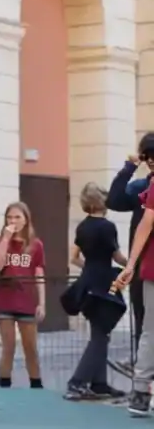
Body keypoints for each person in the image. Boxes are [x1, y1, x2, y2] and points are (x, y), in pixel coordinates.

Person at [64, 183, 126, 401]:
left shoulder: (82, 227)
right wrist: (132, 266)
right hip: (103, 285)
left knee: (99, 333)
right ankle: (77, 382)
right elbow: (117, 257)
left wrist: (89, 270)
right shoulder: (107, 227)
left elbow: (73, 258)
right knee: (100, 337)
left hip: (86, 285)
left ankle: (99, 384)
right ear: (102, 201)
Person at [105, 136, 154, 380]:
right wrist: (130, 166)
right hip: (143, 266)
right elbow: (113, 200)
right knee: (144, 321)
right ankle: (142, 376)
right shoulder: (142, 188)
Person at [0, 202, 45, 389]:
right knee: (8, 347)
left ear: (26, 219)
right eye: (9, 217)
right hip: (4, 300)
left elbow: (39, 273)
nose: (13, 221)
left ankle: (36, 385)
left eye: (17, 217)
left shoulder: (36, 245)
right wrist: (5, 240)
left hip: (27, 301)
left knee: (31, 348)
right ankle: (4, 386)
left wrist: (41, 303)